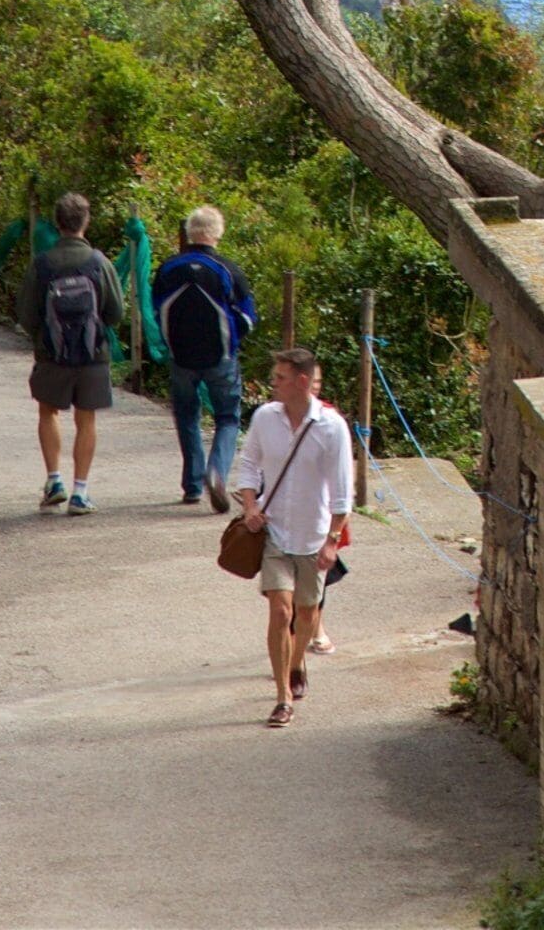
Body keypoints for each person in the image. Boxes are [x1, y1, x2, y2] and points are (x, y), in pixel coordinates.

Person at [230, 345, 352, 728]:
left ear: (302, 381)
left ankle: (297, 661)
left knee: (306, 613)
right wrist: (250, 506)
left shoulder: (332, 427)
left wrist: (332, 540)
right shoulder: (265, 418)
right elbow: (249, 463)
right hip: (275, 534)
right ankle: (283, 696)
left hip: (314, 537)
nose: (273, 383)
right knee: (280, 611)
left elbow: (343, 492)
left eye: (280, 378)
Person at [14, 193, 127, 516]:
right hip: (93, 354)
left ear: (57, 223)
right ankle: (80, 492)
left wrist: (46, 338)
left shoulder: (42, 263)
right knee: (86, 419)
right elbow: (116, 312)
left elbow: (26, 314)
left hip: (52, 354)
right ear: (85, 221)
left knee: (48, 412)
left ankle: (54, 481)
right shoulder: (99, 263)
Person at [148, 205, 257, 509]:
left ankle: (193, 486)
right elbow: (248, 318)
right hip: (220, 357)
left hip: (180, 356)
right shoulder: (228, 270)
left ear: (188, 233)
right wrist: (232, 340)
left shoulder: (168, 269)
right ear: (217, 234)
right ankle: (216, 472)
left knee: (186, 416)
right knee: (228, 417)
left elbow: (155, 310)